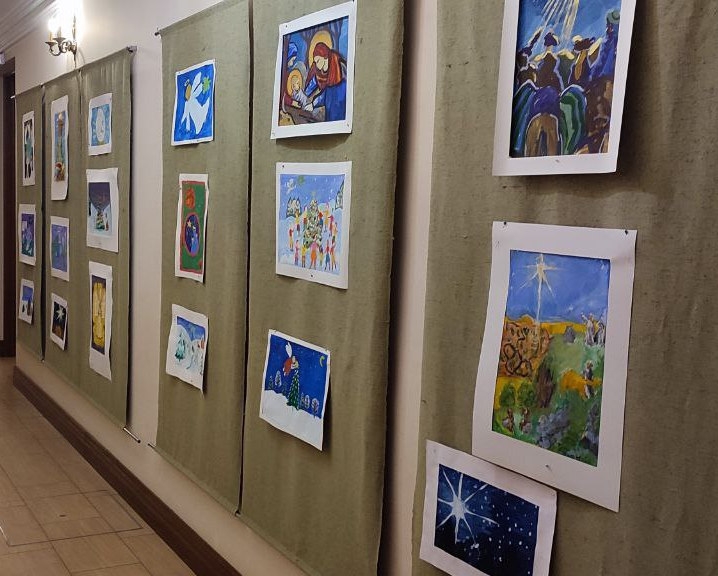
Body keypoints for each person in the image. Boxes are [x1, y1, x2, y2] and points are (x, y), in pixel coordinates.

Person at [305, 42, 347, 122]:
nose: (316, 65)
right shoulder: (325, 73)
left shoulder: (339, 69)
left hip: (341, 114)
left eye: (318, 61)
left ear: (325, 57)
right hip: (330, 116)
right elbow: (324, 95)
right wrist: (313, 104)